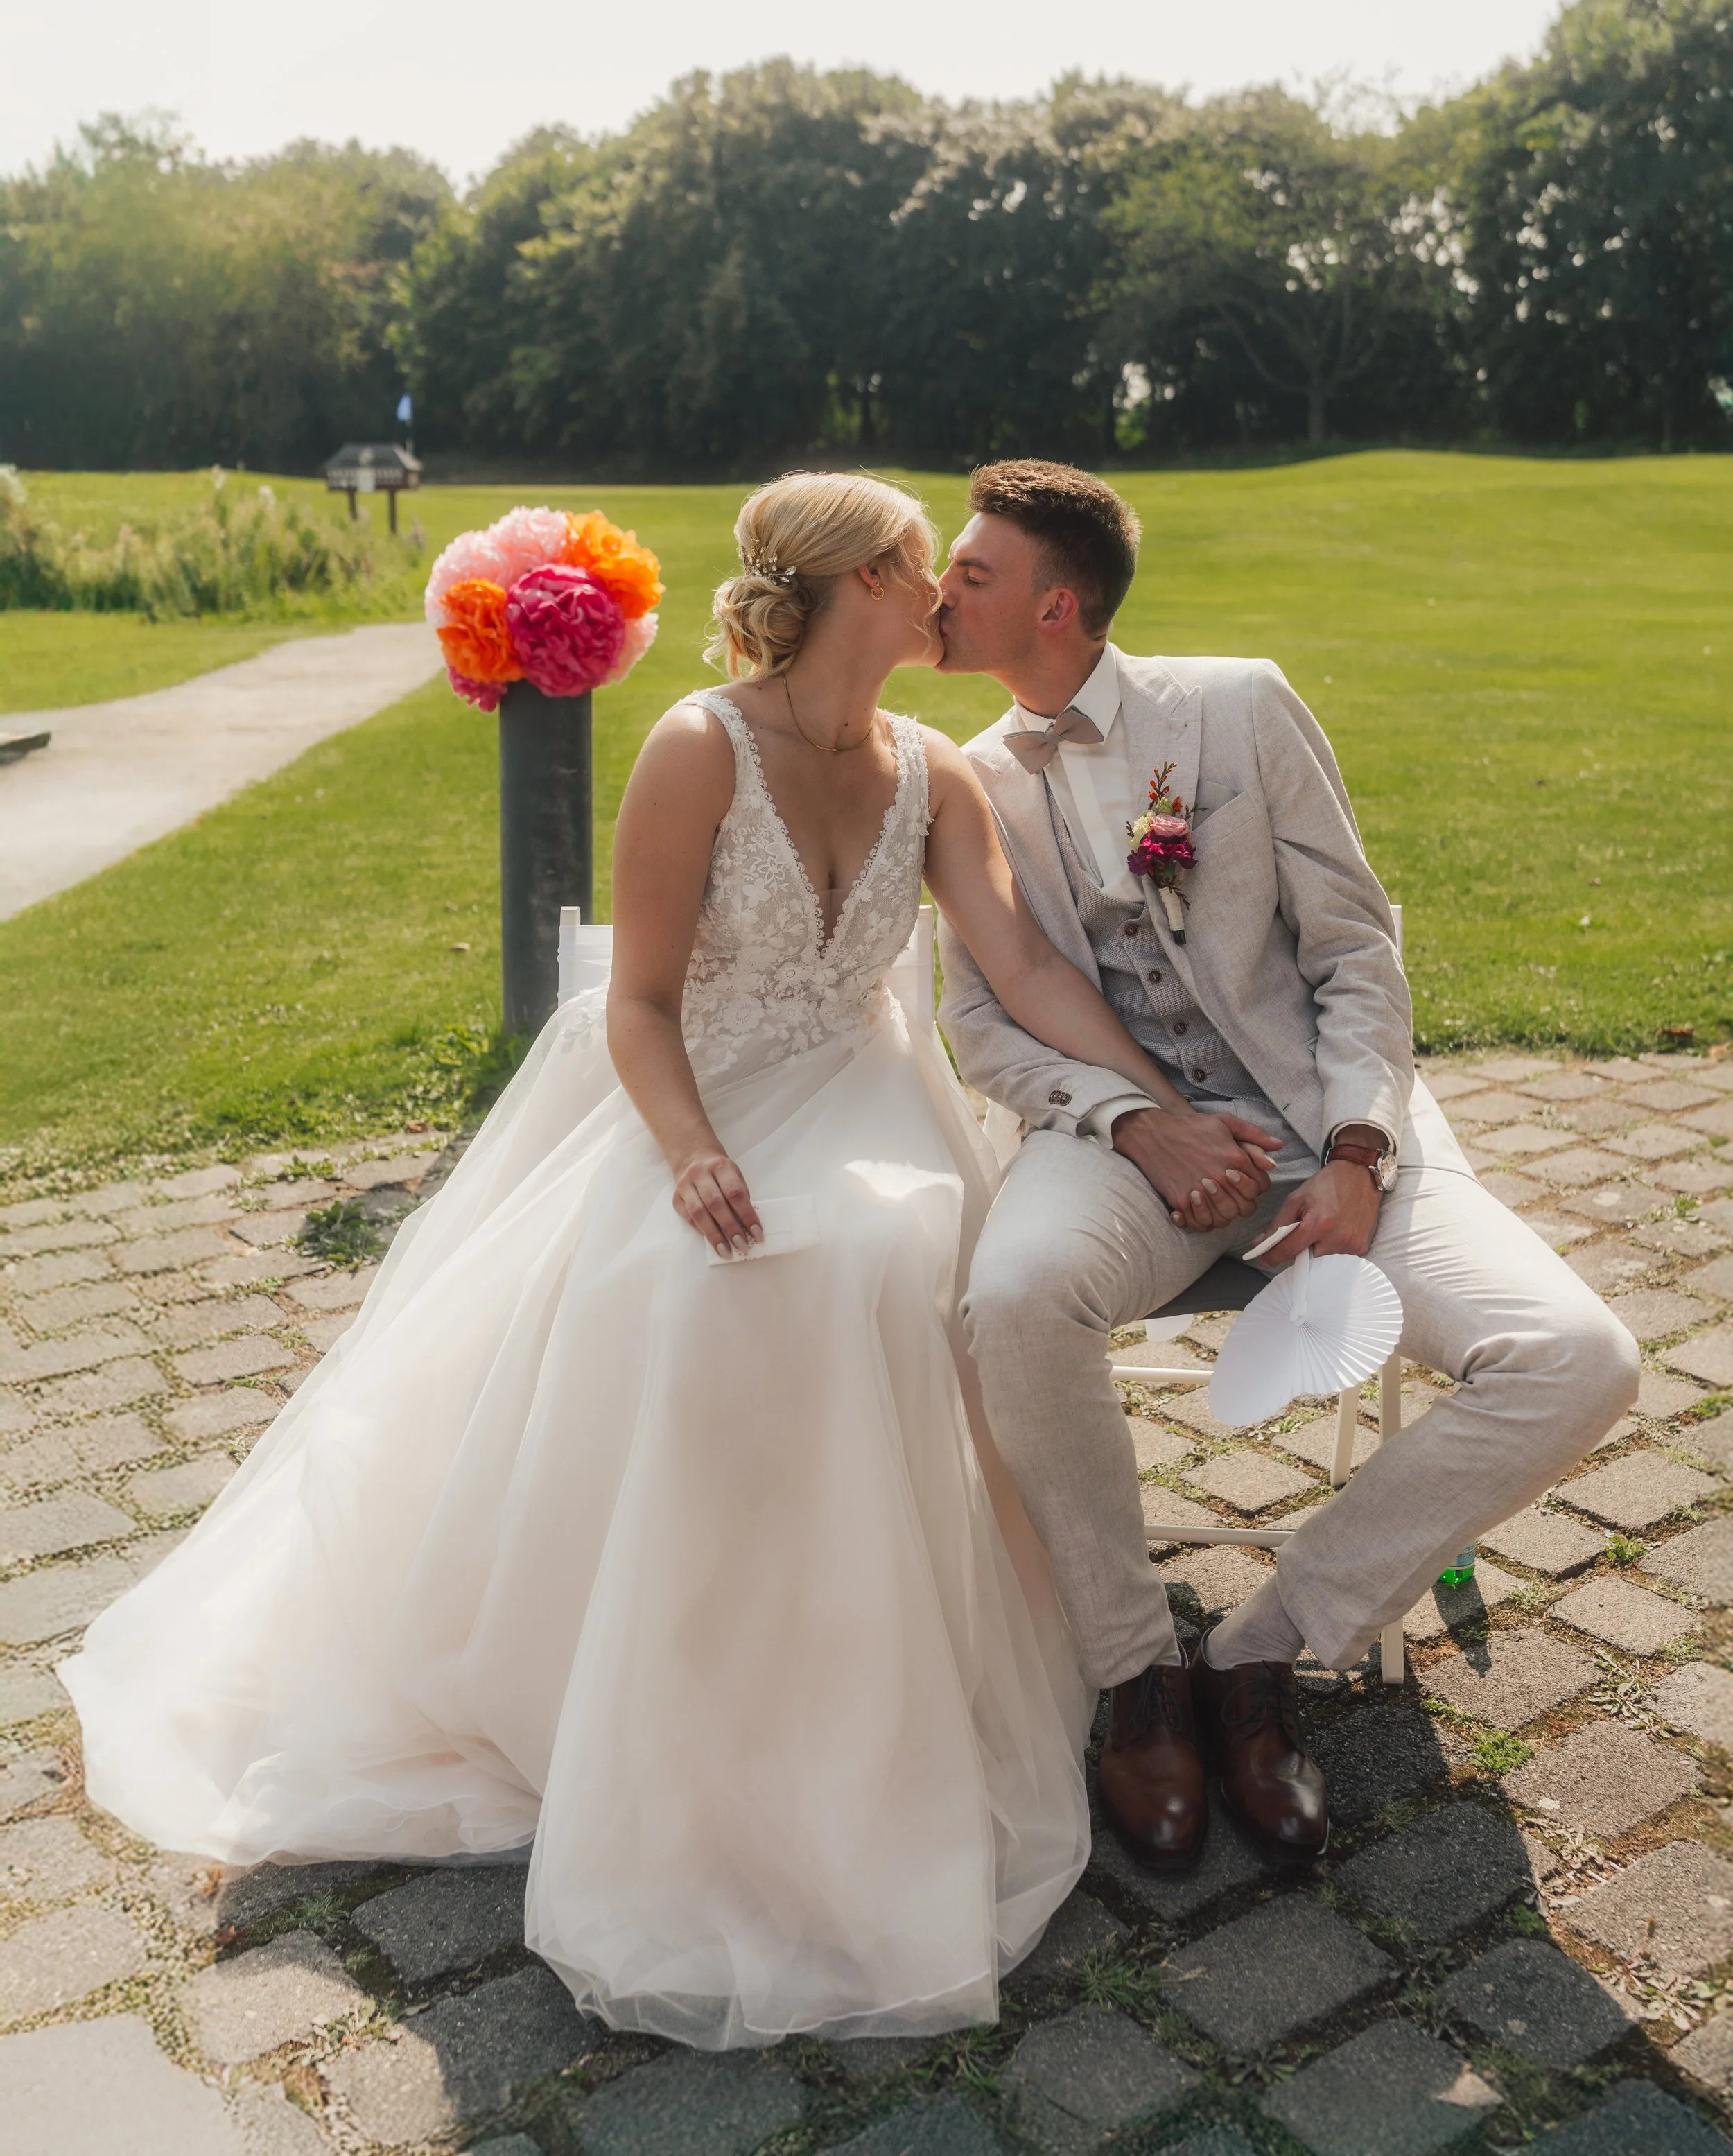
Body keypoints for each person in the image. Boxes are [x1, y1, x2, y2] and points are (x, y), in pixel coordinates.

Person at [62, 471, 1237, 2053]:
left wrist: (1161, 1109)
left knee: (884, 1255)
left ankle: (846, 1692)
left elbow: (1016, 963)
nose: (947, 596)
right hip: (698, 1093)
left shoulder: (935, 768)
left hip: (864, 1091)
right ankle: (664, 1694)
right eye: (922, 569)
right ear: (855, 585)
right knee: (706, 1281)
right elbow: (636, 1002)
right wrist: (692, 1148)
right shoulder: (701, 745)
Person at [934, 458, 1640, 1876]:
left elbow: (1353, 951)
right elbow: (979, 1025)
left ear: (1056, 603)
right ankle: (1134, 1675)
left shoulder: (1237, 704)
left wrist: (1358, 1146)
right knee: (1007, 1298)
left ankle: (1257, 1657)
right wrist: (1139, 1122)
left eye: (969, 573)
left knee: (1577, 1355)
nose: (936, 594)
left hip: (1326, 1136)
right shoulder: (956, 781)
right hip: (1123, 1150)